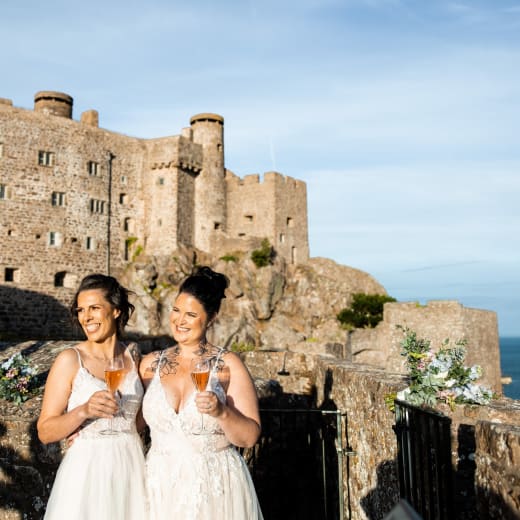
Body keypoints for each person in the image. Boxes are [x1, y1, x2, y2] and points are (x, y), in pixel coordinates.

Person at [140, 266, 264, 519]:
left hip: (213, 489)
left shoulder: (228, 365)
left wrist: (222, 412)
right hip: (158, 486)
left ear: (211, 317)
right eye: (176, 310)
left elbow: (250, 437)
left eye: (190, 314)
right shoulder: (149, 364)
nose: (179, 320)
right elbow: (135, 424)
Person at [37, 274, 147, 520]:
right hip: (87, 470)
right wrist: (83, 412)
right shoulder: (70, 359)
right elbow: (45, 431)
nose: (86, 317)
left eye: (95, 308)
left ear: (116, 311)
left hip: (131, 465)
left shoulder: (133, 355)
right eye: (81, 310)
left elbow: (140, 419)